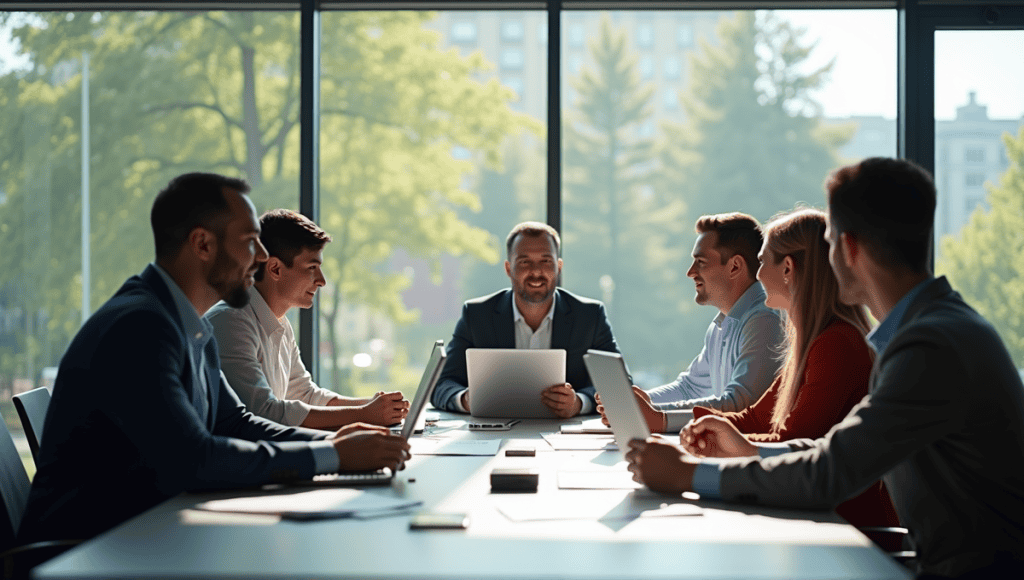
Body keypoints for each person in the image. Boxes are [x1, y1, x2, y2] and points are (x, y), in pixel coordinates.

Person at [626, 158, 1024, 579]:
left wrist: (688, 474)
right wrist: (740, 449)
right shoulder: (932, 329)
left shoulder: (929, 346)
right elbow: (831, 448)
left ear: (849, 248)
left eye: (830, 242)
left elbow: (830, 473)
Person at [19, 173, 410, 544]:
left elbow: (235, 422)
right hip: (86, 552)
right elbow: (195, 459)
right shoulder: (140, 328)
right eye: (250, 242)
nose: (260, 258)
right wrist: (332, 454)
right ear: (203, 244)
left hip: (142, 534)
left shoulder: (189, 325)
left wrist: (336, 443)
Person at [688, 207, 897, 528]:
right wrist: (700, 429)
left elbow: (794, 443)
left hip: (848, 530)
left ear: (788, 268)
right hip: (814, 516)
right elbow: (757, 417)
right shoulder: (813, 342)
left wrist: (727, 449)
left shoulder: (836, 344)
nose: (756, 275)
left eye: (763, 261)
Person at [208, 209, 409, 430]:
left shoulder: (278, 322)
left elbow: (305, 395)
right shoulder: (231, 323)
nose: (321, 281)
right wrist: (363, 414)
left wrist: (374, 405)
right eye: (312, 268)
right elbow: (262, 412)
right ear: (275, 268)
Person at [600, 213, 784, 433]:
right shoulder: (721, 325)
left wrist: (659, 417)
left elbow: (741, 403)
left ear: (735, 267)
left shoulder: (764, 321)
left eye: (701, 262)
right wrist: (638, 404)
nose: (690, 272)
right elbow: (689, 388)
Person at [431, 221, 621, 418]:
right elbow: (441, 385)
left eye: (546, 261)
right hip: (494, 435)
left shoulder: (590, 316)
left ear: (559, 266)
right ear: (508, 268)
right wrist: (466, 400)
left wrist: (579, 403)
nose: (536, 271)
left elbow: (619, 383)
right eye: (524, 262)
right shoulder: (477, 315)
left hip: (563, 436)